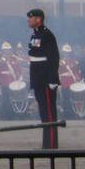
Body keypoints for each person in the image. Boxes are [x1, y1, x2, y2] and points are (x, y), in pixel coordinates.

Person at [26, 8, 61, 149]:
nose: (28, 20)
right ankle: (47, 143)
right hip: (38, 78)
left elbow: (53, 58)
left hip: (46, 78)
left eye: (31, 17)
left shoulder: (47, 35)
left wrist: (53, 79)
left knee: (49, 113)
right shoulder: (34, 35)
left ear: (38, 19)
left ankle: (51, 144)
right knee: (43, 112)